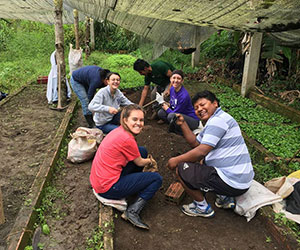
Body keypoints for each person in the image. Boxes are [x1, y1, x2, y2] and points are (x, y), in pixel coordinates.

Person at [167, 90, 254, 218]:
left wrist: (175, 160)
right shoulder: (216, 120)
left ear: (215, 103)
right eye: (196, 108)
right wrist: (183, 124)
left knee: (181, 168)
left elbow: (201, 151)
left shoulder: (217, 121)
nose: (199, 109)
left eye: (203, 105)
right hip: (240, 180)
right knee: (202, 161)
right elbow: (196, 144)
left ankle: (202, 207)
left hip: (233, 182)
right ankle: (224, 197)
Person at [90, 104, 163, 230]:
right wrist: (150, 161)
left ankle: (132, 187)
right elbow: (140, 163)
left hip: (99, 180)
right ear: (125, 120)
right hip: (107, 187)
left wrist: (145, 159)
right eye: (134, 119)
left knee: (142, 150)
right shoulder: (127, 139)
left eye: (141, 120)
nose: (139, 123)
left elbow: (138, 156)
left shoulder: (119, 131)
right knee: (156, 178)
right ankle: (132, 212)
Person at [157, 70, 200, 135]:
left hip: (191, 120)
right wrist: (165, 103)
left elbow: (174, 113)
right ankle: (175, 126)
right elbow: (173, 104)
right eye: (174, 78)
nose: (176, 80)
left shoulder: (184, 96)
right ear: (170, 79)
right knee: (161, 113)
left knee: (171, 116)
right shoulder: (172, 89)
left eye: (178, 78)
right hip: (179, 113)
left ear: (182, 81)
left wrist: (163, 104)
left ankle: (183, 132)